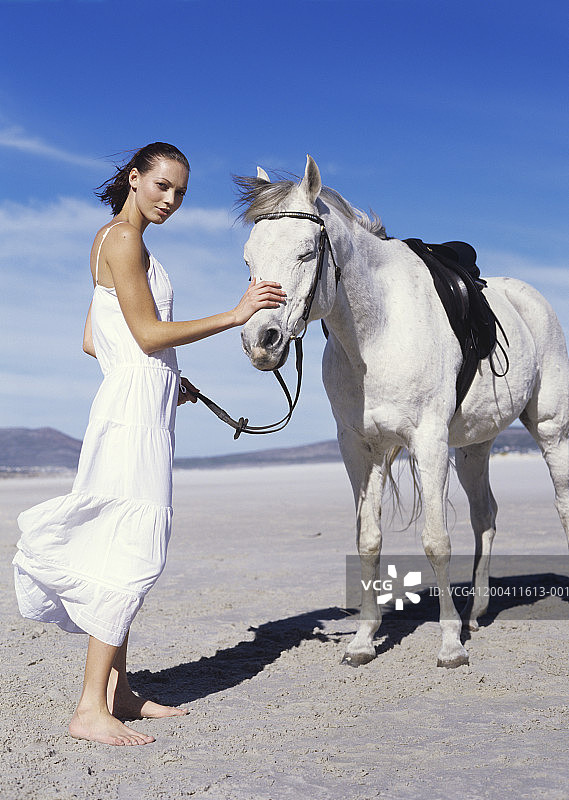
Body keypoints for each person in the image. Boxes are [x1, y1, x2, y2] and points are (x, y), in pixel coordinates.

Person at [12, 142, 286, 746]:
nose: (171, 200)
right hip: (132, 413)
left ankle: (120, 691)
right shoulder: (124, 240)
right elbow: (145, 332)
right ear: (134, 179)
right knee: (134, 547)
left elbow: (95, 338)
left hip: (138, 401)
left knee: (126, 540)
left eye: (181, 193)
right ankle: (89, 707)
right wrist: (238, 313)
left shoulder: (110, 240)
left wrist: (167, 375)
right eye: (162, 185)